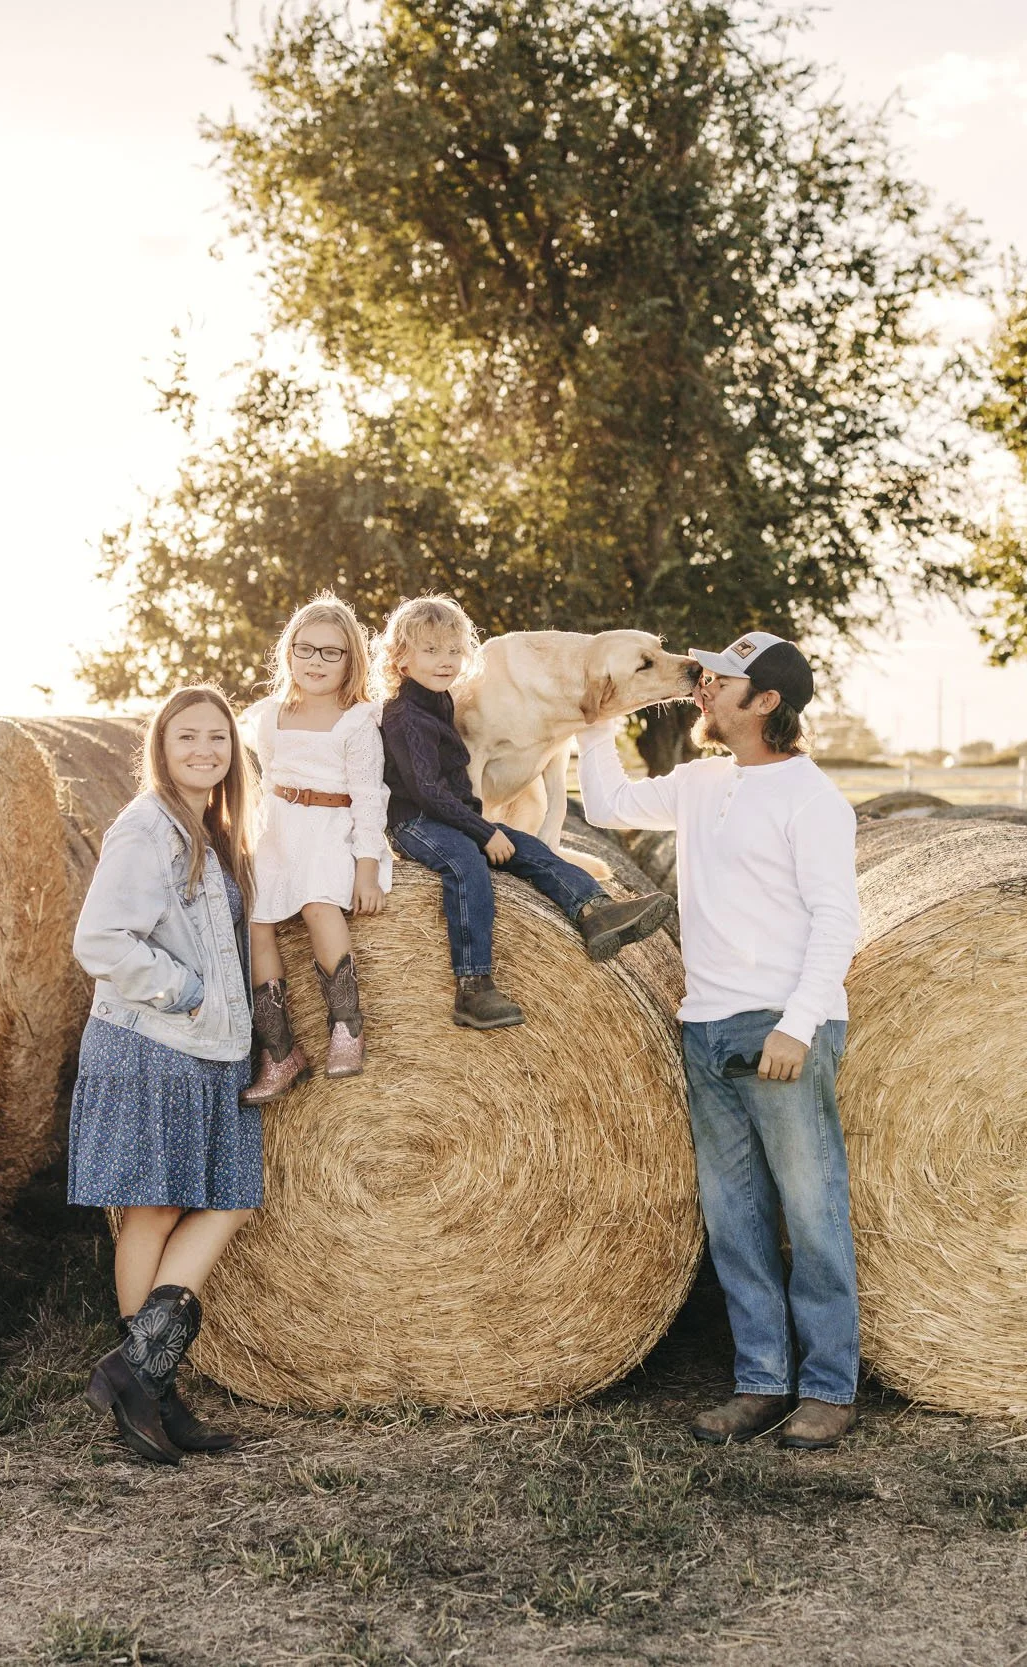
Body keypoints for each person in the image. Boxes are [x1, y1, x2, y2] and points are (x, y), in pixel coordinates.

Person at [577, 632, 863, 1449]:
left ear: (766, 701)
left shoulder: (812, 799)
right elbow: (607, 807)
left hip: (780, 1026)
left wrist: (798, 1023)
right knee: (733, 1215)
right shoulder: (705, 782)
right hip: (703, 1022)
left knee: (811, 1213)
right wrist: (594, 729)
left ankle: (829, 1387)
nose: (701, 687)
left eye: (720, 679)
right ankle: (762, 1380)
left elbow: (837, 919)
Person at [67, 685, 262, 1465]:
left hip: (207, 1045)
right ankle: (146, 1385)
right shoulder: (147, 825)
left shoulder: (214, 830)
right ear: (162, 744)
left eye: (218, 738)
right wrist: (190, 991)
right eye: (188, 737)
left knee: (225, 1199)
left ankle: (140, 1377)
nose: (205, 750)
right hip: (154, 1037)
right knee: (153, 1209)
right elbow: (101, 938)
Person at [377, 595, 674, 1029]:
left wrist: (485, 827)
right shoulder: (405, 715)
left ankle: (595, 911)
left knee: (531, 849)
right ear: (401, 660)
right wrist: (482, 831)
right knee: (467, 867)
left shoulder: (439, 700)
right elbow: (426, 791)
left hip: (451, 814)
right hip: (414, 821)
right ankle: (473, 985)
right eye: (431, 651)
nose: (446, 661)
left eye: (454, 651)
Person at [239, 595, 390, 1103]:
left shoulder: (357, 721)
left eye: (331, 652)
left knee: (318, 904)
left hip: (333, 827)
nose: (316, 662)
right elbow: (267, 781)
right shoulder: (270, 715)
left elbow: (370, 797)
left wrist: (366, 869)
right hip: (279, 827)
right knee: (257, 922)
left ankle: (346, 1024)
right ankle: (280, 1051)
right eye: (306, 649)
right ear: (288, 653)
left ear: (352, 660)